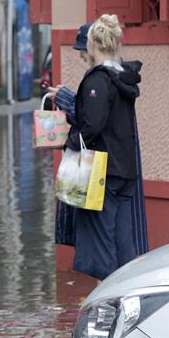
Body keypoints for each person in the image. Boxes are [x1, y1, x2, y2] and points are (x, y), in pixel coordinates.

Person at [50, 15, 148, 280]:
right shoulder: (123, 77)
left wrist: (69, 142)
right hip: (124, 171)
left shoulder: (97, 80)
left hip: (101, 172)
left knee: (101, 243)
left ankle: (107, 306)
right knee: (122, 242)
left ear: (92, 43)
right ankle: (129, 296)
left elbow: (92, 125)